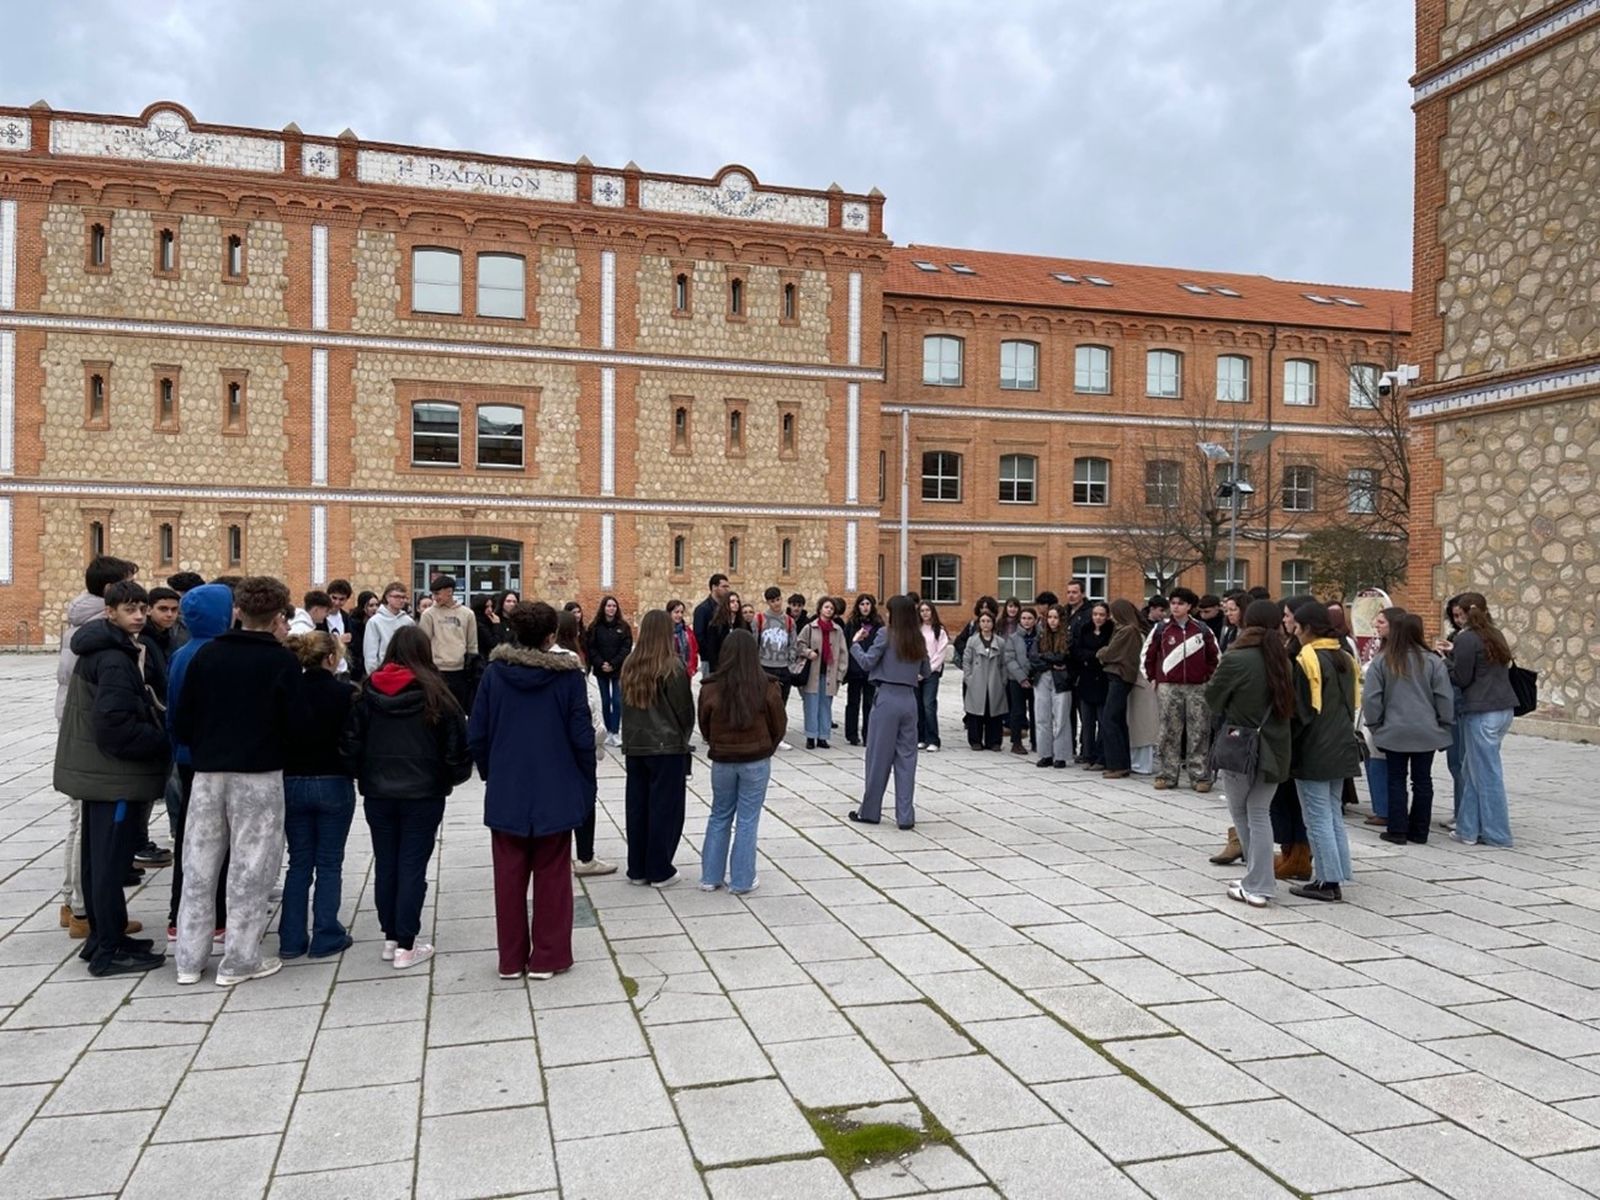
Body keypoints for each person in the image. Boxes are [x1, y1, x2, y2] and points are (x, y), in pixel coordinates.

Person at [171, 576, 301, 985]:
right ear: (279, 614)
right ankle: (240, 959)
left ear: (239, 611)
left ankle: (189, 960)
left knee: (198, 864)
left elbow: (182, 718)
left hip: (209, 773)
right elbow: (295, 722)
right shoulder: (280, 661)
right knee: (251, 867)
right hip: (259, 774)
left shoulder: (208, 655)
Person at [470, 601, 596, 980]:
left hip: (509, 785)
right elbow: (582, 737)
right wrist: (585, 780)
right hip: (554, 785)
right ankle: (549, 956)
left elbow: (477, 732)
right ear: (550, 637)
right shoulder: (568, 678)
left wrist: (494, 772)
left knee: (508, 877)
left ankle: (510, 959)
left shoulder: (494, 675)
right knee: (553, 874)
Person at [52, 579, 168, 976]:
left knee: (99, 859)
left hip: (99, 774)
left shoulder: (104, 647)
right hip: (113, 776)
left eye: (141, 608)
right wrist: (160, 739)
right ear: (110, 612)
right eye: (129, 609)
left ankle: (106, 936)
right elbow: (115, 723)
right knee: (107, 863)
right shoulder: (114, 658)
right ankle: (108, 950)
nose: (137, 616)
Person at [341, 626, 472, 969]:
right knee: (412, 863)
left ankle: (391, 936)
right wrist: (451, 776)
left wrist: (363, 773)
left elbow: (351, 743)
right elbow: (456, 746)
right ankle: (406, 942)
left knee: (386, 861)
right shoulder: (437, 695)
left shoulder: (366, 692)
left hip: (379, 791)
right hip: (423, 791)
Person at [54, 555, 140, 935]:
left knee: (81, 821)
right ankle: (84, 912)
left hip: (77, 729)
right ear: (110, 597)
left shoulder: (80, 622)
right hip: (92, 737)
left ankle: (74, 903)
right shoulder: (100, 633)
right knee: (87, 825)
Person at [1203, 599, 1296, 908]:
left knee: (1243, 812)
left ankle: (1258, 882)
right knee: (1260, 812)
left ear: (1247, 622)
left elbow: (1213, 699)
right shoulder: (1284, 659)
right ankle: (1259, 878)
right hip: (1277, 745)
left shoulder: (1237, 658)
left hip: (1240, 744)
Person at [278, 632, 358, 960]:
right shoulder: (345, 694)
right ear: (330, 659)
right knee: (329, 861)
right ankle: (326, 932)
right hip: (333, 779)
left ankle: (291, 937)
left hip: (293, 779)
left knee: (298, 862)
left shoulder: (286, 692)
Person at [163, 583, 234, 944]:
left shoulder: (180, 654)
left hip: (187, 757)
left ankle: (179, 915)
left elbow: (173, 712)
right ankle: (217, 918)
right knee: (219, 840)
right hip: (214, 759)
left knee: (191, 840)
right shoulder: (218, 655)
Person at [698, 629, 785, 894]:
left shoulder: (711, 687)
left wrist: (717, 742)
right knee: (747, 819)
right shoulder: (767, 686)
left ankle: (710, 877)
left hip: (723, 759)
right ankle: (742, 880)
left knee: (719, 815)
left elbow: (704, 725)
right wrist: (768, 746)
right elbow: (778, 724)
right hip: (755, 758)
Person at [1288, 600, 1363, 902]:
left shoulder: (1307, 659)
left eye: (1294, 625)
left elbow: (1302, 711)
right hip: (1341, 742)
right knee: (1332, 813)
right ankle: (1338, 870)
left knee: (1316, 816)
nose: (1291, 630)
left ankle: (1327, 881)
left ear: (1305, 628)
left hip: (1315, 747)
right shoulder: (1344, 655)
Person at [1362, 610, 1453, 846]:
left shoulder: (1383, 660)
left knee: (1396, 779)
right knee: (1423, 780)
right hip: (1426, 730)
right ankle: (1420, 830)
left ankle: (1398, 829)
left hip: (1393, 730)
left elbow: (1372, 697)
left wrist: (1375, 725)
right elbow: (1444, 696)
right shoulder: (1433, 661)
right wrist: (1444, 723)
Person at [620, 610, 695, 886]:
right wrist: (683, 735)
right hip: (666, 747)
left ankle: (637, 867)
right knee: (666, 808)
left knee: (637, 807)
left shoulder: (630, 664)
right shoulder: (671, 666)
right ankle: (659, 867)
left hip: (637, 745)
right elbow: (684, 709)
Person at [849, 595, 930, 829]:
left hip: (886, 698)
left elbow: (866, 662)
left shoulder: (886, 634)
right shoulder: (918, 638)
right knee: (907, 760)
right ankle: (905, 816)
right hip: (909, 699)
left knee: (878, 758)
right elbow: (926, 669)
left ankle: (870, 811)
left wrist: (855, 643)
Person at [1443, 592, 1517, 847]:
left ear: (1462, 614)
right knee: (1472, 770)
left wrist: (1445, 662)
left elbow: (1462, 678)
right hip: (1503, 708)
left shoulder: (1467, 638)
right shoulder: (1495, 634)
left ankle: (1498, 834)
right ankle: (1468, 829)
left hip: (1481, 710)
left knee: (1487, 773)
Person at [551, 608, 613, 875]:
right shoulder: (571, 660)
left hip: (553, 741)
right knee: (585, 797)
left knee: (559, 797)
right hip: (577, 741)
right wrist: (596, 734)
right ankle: (585, 857)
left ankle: (558, 856)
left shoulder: (543, 659)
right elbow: (587, 705)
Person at [1143, 588, 1219, 793]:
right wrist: (1151, 677)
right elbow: (1147, 655)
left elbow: (1215, 657)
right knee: (1169, 730)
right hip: (1168, 686)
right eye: (1173, 602)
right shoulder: (1161, 629)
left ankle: (1199, 775)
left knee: (1199, 730)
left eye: (1180, 603)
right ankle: (1167, 774)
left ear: (1189, 607)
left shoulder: (1202, 630)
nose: (1175, 607)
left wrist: (1207, 678)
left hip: (1197, 687)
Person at [418, 574, 480, 714]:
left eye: (438, 593)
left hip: (460, 671)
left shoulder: (467, 614)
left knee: (458, 711)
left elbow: (472, 644)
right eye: (433, 594)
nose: (435, 597)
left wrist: (471, 666)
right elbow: (423, 643)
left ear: (450, 592)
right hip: (436, 670)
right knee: (437, 711)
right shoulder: (428, 614)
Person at [1098, 600, 1145, 779]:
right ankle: (1121, 763)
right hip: (1118, 676)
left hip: (1120, 676)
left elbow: (1109, 652)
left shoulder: (1127, 631)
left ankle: (1117, 764)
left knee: (1109, 719)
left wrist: (1101, 653)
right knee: (1117, 720)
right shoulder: (1127, 629)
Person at [795, 596, 847, 749]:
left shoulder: (837, 630)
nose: (829, 610)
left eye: (831, 608)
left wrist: (840, 674)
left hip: (829, 672)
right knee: (811, 704)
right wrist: (808, 652)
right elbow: (799, 644)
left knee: (826, 705)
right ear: (820, 609)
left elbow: (843, 653)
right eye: (826, 607)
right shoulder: (810, 628)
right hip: (813, 672)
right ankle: (811, 736)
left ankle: (823, 736)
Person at [586, 595, 633, 747]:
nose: (611, 608)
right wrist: (601, 663)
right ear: (603, 608)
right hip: (601, 669)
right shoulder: (595, 627)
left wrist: (613, 663)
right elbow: (591, 648)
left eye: (614, 606)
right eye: (608, 606)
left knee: (617, 701)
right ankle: (607, 730)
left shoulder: (624, 627)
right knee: (605, 701)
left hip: (618, 669)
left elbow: (626, 648)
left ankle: (615, 731)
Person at [1031, 605, 1074, 768]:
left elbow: (1062, 657)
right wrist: (1049, 661)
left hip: (1061, 680)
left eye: (1055, 617)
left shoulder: (1068, 636)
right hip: (1042, 676)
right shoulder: (1041, 635)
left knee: (1061, 717)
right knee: (1042, 716)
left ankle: (1061, 755)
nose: (1052, 621)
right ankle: (1045, 754)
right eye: (1050, 617)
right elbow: (1033, 656)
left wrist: (1048, 659)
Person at [1072, 602, 1113, 769]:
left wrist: (1094, 656)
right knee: (1087, 722)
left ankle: (1101, 757)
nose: (1098, 618)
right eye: (1095, 614)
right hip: (1086, 679)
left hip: (1103, 680)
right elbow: (1077, 651)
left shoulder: (1111, 631)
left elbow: (1109, 652)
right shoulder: (1085, 629)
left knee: (1103, 721)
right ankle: (1087, 755)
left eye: (1101, 615)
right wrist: (1095, 655)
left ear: (1107, 616)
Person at [961, 610, 1008, 750]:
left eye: (988, 621)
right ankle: (975, 741)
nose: (986, 624)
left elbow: (1004, 663)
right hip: (977, 680)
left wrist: (1002, 680)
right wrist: (969, 678)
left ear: (993, 624)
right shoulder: (972, 640)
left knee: (994, 711)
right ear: (979, 623)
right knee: (976, 712)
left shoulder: (1000, 642)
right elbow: (966, 661)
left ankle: (994, 742)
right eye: (983, 621)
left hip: (995, 681)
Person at [843, 594, 883, 746]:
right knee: (853, 702)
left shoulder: (878, 625)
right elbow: (847, 644)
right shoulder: (852, 624)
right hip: (855, 669)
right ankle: (851, 734)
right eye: (862, 604)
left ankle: (868, 734)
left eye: (868, 604)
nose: (865, 607)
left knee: (869, 704)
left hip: (871, 670)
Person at [1002, 605, 1040, 756]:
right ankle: (1016, 742)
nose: (1026, 621)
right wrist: (1022, 677)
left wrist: (1034, 675)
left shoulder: (1040, 637)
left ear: (1035, 620)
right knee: (1017, 711)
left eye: (1030, 618)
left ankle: (1036, 741)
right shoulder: (1013, 638)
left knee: (1036, 711)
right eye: (1024, 618)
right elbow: (1009, 659)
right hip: (1016, 680)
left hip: (1035, 679)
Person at [754, 586, 799, 706]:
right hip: (765, 666)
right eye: (772, 601)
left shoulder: (789, 621)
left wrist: (790, 662)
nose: (776, 603)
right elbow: (754, 643)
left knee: (781, 704)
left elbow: (793, 643)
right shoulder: (759, 619)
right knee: (763, 703)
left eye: (778, 599)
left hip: (784, 667)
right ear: (768, 602)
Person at [916, 601, 950, 752]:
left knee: (928, 704)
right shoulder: (915, 630)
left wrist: (926, 671)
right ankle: (920, 738)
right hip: (915, 673)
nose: (925, 613)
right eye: (922, 610)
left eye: (927, 610)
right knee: (918, 706)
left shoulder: (939, 631)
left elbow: (940, 653)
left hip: (931, 673)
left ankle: (933, 739)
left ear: (932, 612)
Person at [362, 581, 414, 675]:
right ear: (387, 597)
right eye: (397, 596)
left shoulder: (409, 621)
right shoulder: (375, 622)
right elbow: (370, 653)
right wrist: (373, 674)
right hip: (383, 672)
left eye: (403, 597)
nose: (401, 600)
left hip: (405, 672)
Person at [693, 574, 731, 681]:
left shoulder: (725, 608)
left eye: (728, 587)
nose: (727, 590)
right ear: (714, 587)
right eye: (724, 586)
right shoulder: (702, 609)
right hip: (709, 661)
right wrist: (710, 655)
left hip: (724, 659)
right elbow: (699, 636)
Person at [700, 593, 739, 678]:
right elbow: (712, 648)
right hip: (721, 665)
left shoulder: (741, 623)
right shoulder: (716, 625)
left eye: (737, 601)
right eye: (732, 602)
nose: (736, 604)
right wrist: (715, 669)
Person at [347, 591, 379, 682]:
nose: (375, 608)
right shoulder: (354, 623)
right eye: (371, 605)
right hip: (357, 668)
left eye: (377, 605)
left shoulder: (377, 623)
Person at [666, 599, 701, 679]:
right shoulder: (665, 631)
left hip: (686, 671)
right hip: (669, 672)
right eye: (676, 612)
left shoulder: (687, 631)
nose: (680, 615)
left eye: (681, 612)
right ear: (669, 613)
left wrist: (692, 667)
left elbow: (694, 649)